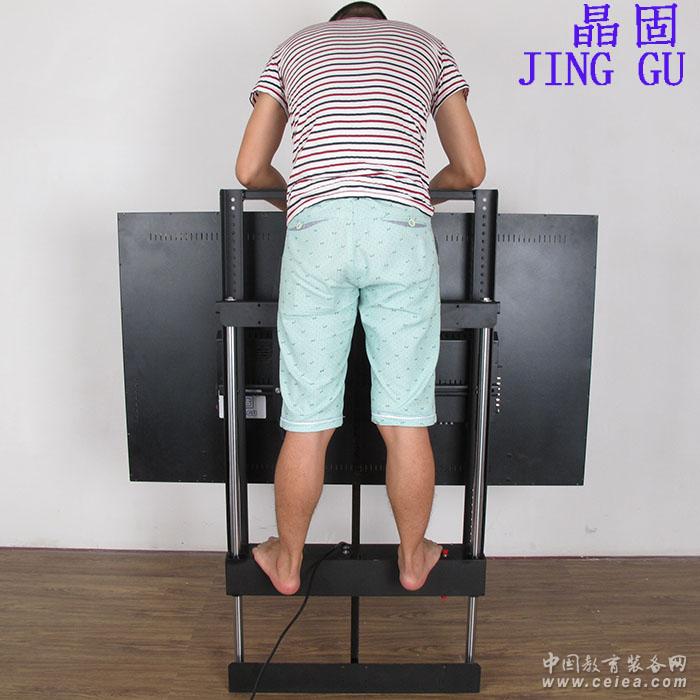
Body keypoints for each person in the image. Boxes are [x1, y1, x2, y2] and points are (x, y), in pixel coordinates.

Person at [235, 1, 486, 595]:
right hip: (400, 229)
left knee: (307, 419)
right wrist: (417, 191)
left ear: (336, 26)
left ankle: (287, 562)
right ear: (381, 23)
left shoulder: (293, 47)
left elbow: (249, 169)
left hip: (316, 230)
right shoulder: (427, 45)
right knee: (405, 417)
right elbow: (470, 169)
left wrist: (300, 196)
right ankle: (413, 559)